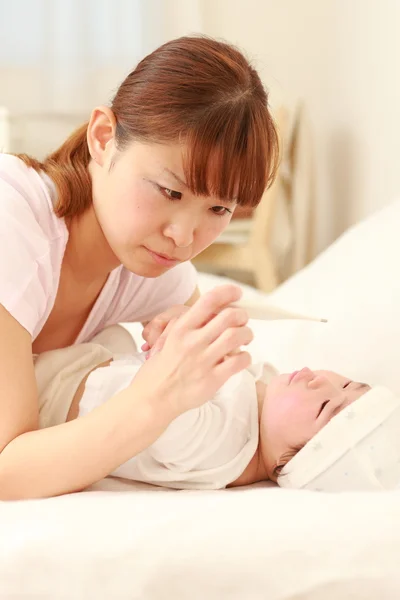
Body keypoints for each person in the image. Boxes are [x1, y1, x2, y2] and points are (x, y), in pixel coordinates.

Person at [0, 35, 279, 500]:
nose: (184, 237)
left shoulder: (157, 270)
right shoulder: (14, 221)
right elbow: (7, 471)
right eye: (170, 192)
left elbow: (229, 401)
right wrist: (156, 397)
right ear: (103, 139)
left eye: (218, 210)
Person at [33, 322, 371, 490]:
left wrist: (175, 348)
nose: (322, 382)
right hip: (89, 364)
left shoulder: (222, 446)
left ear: (293, 462)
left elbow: (165, 410)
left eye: (325, 405)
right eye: (346, 383)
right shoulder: (262, 405)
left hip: (50, 395)